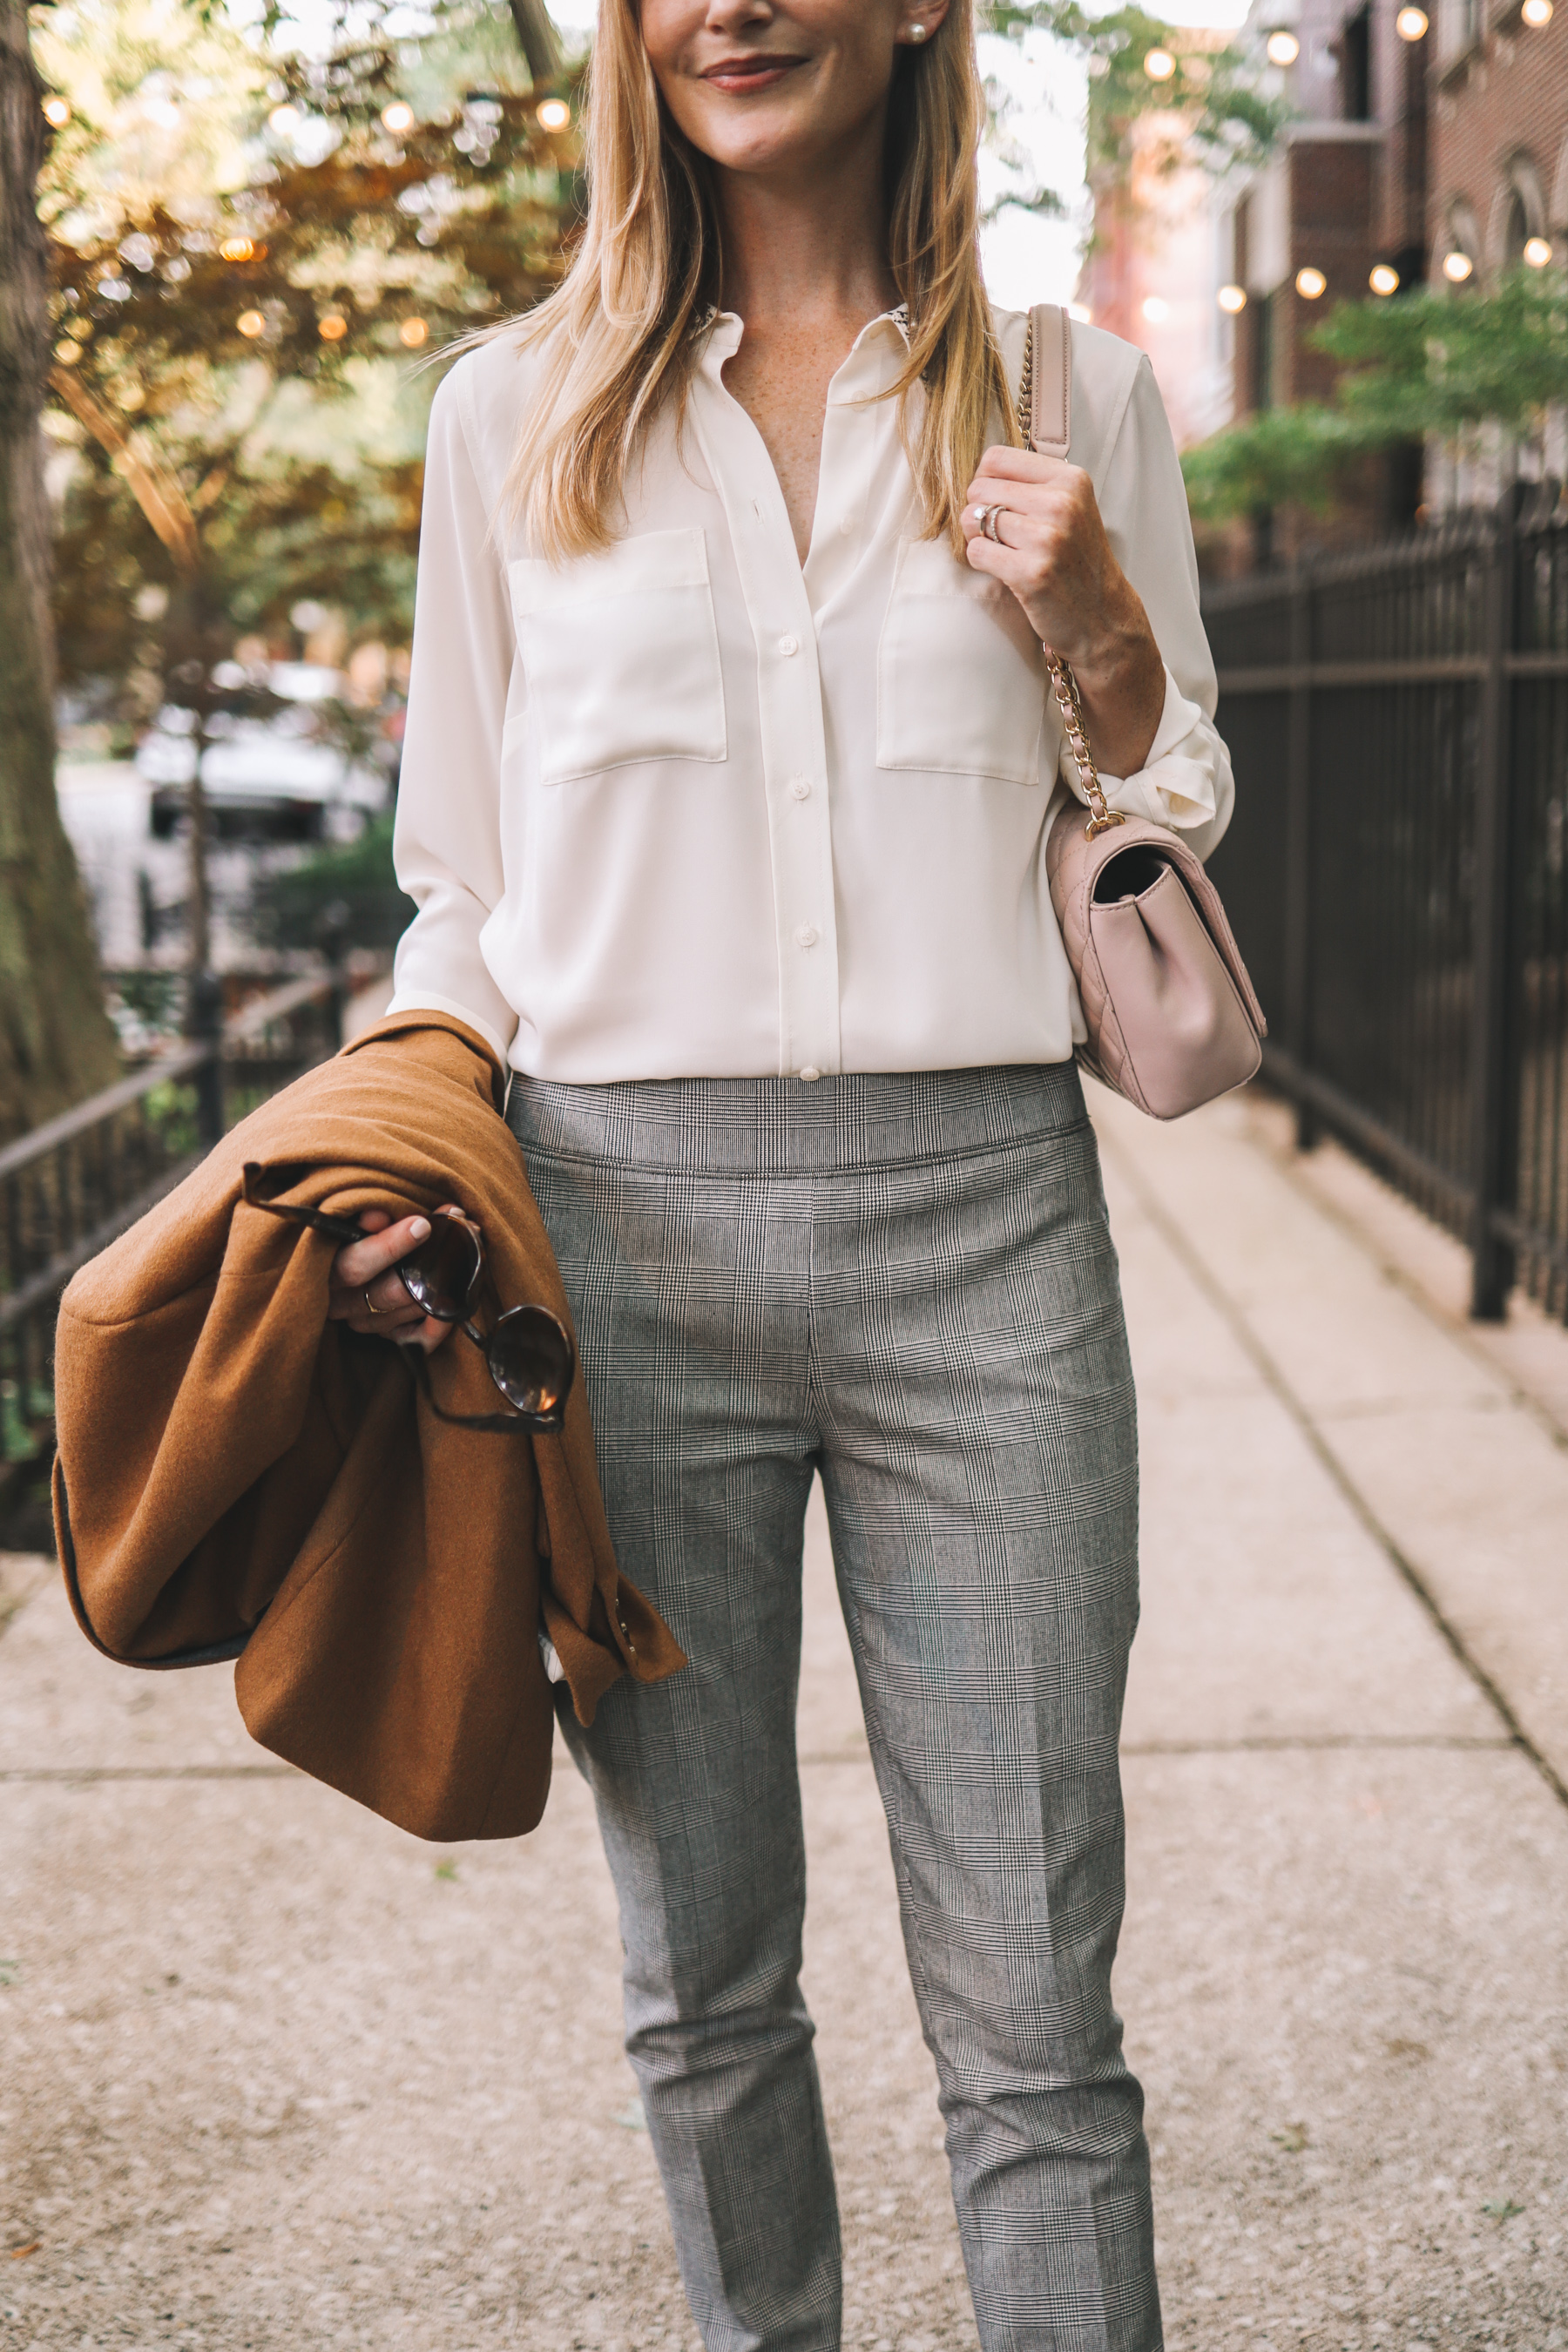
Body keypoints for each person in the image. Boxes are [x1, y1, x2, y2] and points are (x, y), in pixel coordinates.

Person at [327, 3, 1233, 2345]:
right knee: (702, 1970)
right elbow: (465, 888)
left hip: (987, 1236)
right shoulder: (511, 412)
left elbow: (1168, 800)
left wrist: (1100, 626)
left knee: (1039, 1996)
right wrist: (420, 1132)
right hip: (616, 1248)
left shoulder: (1067, 387)